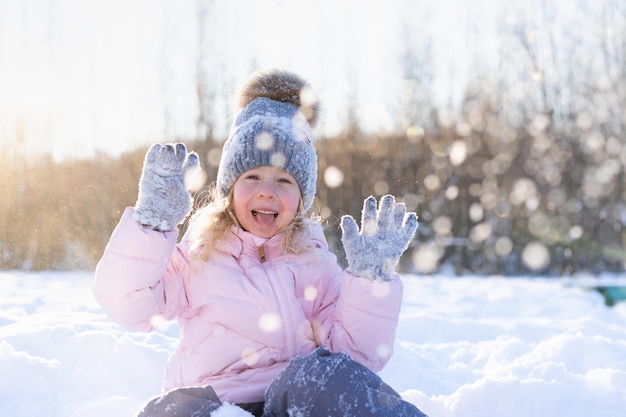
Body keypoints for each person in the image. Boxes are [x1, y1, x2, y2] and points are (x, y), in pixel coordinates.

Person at [93, 69, 427, 417]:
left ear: (301, 199)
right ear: (229, 189)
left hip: (293, 403)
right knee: (171, 408)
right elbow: (127, 304)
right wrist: (150, 226)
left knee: (327, 375)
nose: (267, 191)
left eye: (284, 180)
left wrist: (371, 282)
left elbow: (358, 356)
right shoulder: (198, 253)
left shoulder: (314, 261)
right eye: (252, 176)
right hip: (217, 401)